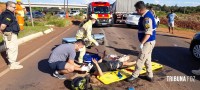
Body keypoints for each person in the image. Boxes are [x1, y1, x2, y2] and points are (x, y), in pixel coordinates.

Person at [127, 1, 156, 82]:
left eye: (136, 10)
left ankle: (134, 75)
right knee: (147, 59)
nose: (136, 11)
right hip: (149, 42)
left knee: (140, 59)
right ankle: (150, 75)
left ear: (140, 10)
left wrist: (142, 43)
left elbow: (148, 33)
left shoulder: (147, 18)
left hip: (148, 42)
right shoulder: (146, 15)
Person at [0, 1, 23, 69]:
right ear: (8, 6)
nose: (15, 8)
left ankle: (13, 61)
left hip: (11, 33)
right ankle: (12, 65)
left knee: (12, 48)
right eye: (13, 7)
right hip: (10, 34)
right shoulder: (8, 14)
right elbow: (3, 25)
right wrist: (1, 30)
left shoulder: (9, 13)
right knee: (12, 48)